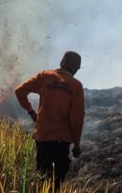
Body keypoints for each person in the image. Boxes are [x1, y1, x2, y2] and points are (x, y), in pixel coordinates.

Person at [14, 51, 85, 189]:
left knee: (42, 181)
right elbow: (77, 119)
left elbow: (19, 91)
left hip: (43, 138)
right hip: (61, 143)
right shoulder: (76, 85)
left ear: (61, 63)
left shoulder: (45, 76)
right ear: (76, 69)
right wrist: (76, 144)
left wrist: (31, 112)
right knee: (55, 185)